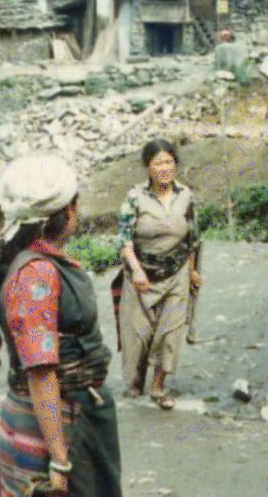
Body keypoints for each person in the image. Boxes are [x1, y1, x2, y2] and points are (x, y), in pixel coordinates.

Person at [0, 154, 121, 497]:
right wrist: (60, 460)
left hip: (67, 415)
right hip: (59, 423)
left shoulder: (43, 264)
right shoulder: (38, 274)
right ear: (70, 211)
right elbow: (42, 372)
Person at [113, 138, 202, 410]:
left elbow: (193, 239)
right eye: (158, 162)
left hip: (176, 272)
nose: (165, 168)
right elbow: (123, 240)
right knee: (138, 334)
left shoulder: (186, 196)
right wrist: (137, 270)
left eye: (169, 162)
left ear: (175, 164)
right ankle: (137, 379)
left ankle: (159, 385)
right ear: (147, 167)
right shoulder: (135, 198)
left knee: (171, 333)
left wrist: (193, 270)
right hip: (141, 275)